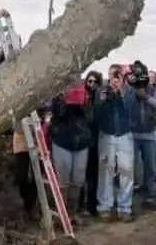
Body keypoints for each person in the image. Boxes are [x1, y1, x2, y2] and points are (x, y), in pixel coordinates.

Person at [95, 65, 135, 222]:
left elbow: (131, 109)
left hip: (125, 136)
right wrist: (104, 100)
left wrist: (122, 92)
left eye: (117, 75)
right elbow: (96, 114)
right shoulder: (102, 91)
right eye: (112, 75)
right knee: (105, 172)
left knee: (126, 172)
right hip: (106, 136)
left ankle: (124, 208)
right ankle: (105, 206)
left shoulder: (128, 91)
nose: (114, 78)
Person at [49, 81, 92, 221]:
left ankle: (72, 214)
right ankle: (61, 215)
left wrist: (84, 101)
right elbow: (54, 113)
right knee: (63, 180)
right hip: (62, 140)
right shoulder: (57, 92)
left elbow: (91, 117)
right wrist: (63, 99)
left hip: (81, 142)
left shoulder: (85, 91)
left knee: (78, 180)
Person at [128, 60, 156, 210]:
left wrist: (146, 97)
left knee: (151, 166)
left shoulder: (151, 89)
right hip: (132, 133)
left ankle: (149, 195)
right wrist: (132, 92)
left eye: (140, 72)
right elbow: (125, 106)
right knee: (133, 166)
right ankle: (131, 193)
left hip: (148, 132)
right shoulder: (128, 89)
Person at [83, 70, 103, 216]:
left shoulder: (99, 97)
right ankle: (80, 204)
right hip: (84, 139)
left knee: (93, 174)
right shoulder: (82, 96)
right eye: (89, 81)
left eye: (95, 82)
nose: (92, 84)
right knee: (81, 174)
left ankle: (92, 204)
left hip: (96, 140)